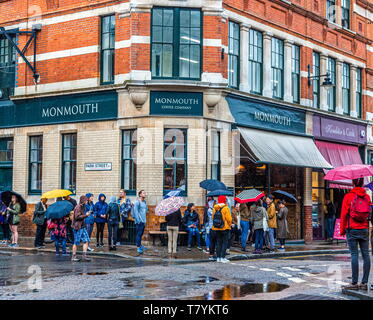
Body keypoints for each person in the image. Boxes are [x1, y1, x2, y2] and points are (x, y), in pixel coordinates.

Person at [340, 178, 371, 291]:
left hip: (351, 229)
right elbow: (369, 211)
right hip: (364, 229)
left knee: (354, 255)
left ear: (353, 183)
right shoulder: (367, 196)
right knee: (366, 255)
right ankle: (364, 283)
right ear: (362, 183)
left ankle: (354, 283)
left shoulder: (348, 196)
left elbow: (343, 215)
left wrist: (342, 230)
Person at [212, 195, 232, 263]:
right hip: (225, 228)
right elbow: (229, 219)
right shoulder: (226, 208)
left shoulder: (215, 208)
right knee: (224, 243)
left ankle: (218, 258)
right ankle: (223, 257)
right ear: (224, 200)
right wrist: (229, 225)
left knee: (218, 242)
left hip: (216, 228)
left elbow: (213, 217)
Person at [71, 195, 92, 262]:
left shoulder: (83, 206)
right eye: (86, 200)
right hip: (78, 227)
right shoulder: (78, 207)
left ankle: (84, 256)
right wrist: (86, 215)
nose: (87, 201)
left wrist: (86, 214)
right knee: (76, 242)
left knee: (86, 241)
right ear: (83, 200)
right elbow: (77, 217)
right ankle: (73, 256)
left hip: (82, 227)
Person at [133, 190, 148, 254]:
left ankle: (140, 245)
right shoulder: (137, 202)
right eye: (144, 193)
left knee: (141, 234)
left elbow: (145, 210)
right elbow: (135, 211)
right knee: (138, 234)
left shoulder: (144, 202)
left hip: (143, 221)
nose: (145, 194)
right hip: (139, 221)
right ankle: (138, 247)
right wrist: (138, 220)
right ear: (140, 195)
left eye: (145, 193)